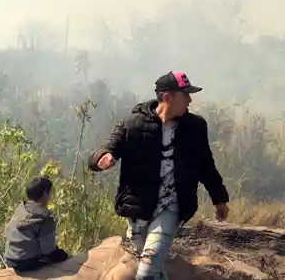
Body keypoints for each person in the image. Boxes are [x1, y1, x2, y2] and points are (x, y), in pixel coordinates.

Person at [89, 71, 231, 280]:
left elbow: (205, 165)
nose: (190, 100)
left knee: (146, 270)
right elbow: (106, 149)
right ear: (167, 97)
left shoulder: (195, 127)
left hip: (172, 206)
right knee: (152, 267)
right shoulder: (132, 124)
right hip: (139, 207)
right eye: (185, 95)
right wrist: (102, 158)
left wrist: (219, 199)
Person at [2, 176, 71, 273]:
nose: (50, 196)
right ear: (44, 194)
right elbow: (48, 250)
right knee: (60, 256)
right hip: (25, 262)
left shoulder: (22, 208)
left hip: (10, 258)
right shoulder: (44, 218)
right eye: (50, 192)